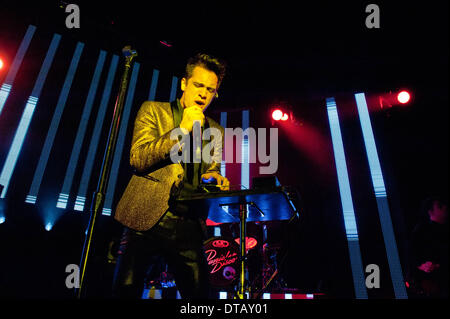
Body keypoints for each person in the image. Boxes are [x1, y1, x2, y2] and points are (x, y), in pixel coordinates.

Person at [112, 53, 230, 299]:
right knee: (125, 291)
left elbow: (211, 170)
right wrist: (182, 129)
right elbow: (138, 158)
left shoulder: (216, 130)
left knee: (200, 297)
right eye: (198, 85)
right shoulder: (153, 110)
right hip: (145, 218)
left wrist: (213, 179)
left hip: (188, 224)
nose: (203, 94)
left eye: (210, 89)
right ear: (184, 83)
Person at [408, 196, 448, 298]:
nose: (445, 207)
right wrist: (422, 265)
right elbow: (413, 254)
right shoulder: (422, 231)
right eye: (440, 206)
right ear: (430, 212)